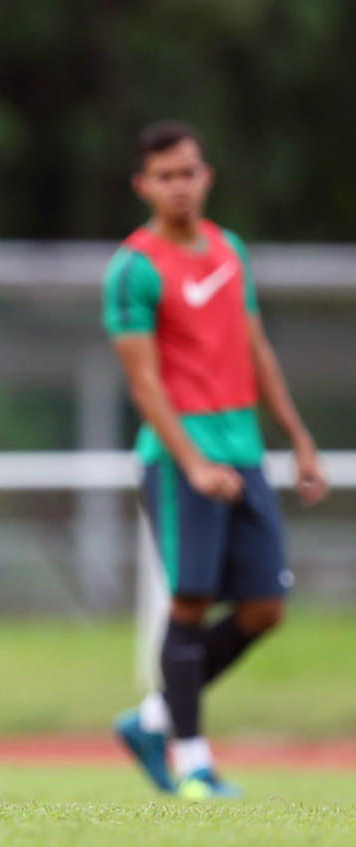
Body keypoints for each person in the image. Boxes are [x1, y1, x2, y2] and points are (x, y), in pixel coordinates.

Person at [104, 121, 327, 800]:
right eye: (164, 175)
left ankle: (150, 718)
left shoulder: (229, 250)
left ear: (206, 176)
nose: (179, 185)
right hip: (180, 461)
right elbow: (143, 382)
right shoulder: (133, 267)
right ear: (144, 185)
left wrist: (295, 434)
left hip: (244, 452)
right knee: (192, 601)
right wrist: (193, 462)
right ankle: (192, 762)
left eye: (189, 171)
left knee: (263, 607)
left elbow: (254, 347)